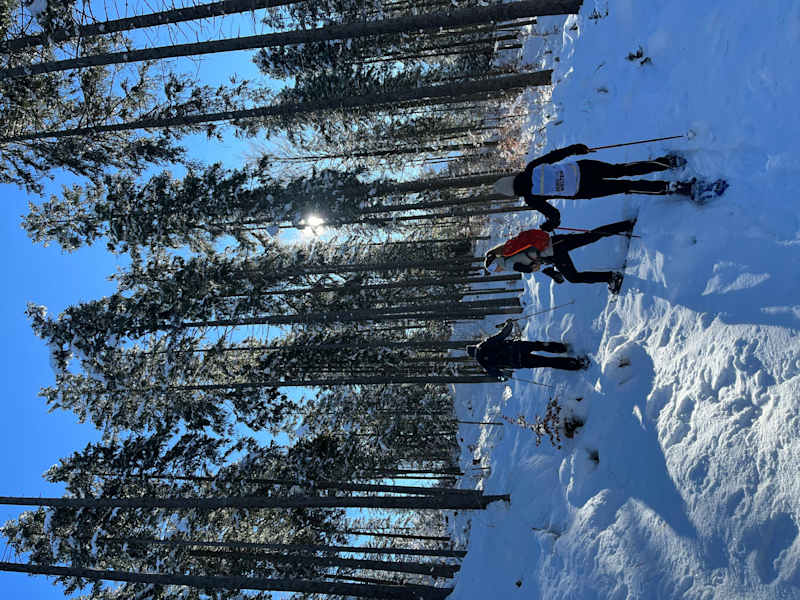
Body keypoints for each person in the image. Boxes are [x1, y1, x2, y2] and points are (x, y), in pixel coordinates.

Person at [493, 144, 690, 230]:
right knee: (621, 170)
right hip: (583, 168)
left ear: (512, 192)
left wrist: (549, 225)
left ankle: (670, 187)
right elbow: (555, 156)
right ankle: (667, 162)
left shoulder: (531, 198)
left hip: (583, 190)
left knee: (626, 187)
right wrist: (576, 148)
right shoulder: (531, 168)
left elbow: (554, 216)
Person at [483, 219, 636, 294]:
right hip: (554, 243)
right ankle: (624, 225)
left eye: (494, 269)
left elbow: (527, 268)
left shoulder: (508, 263)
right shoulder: (506, 251)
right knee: (589, 237)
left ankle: (611, 277)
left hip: (554, 251)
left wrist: (533, 268)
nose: (497, 271)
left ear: (496, 264)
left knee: (574, 277)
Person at [467, 319, 589, 380]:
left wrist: (505, 374)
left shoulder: (483, 363)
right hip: (518, 347)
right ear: (475, 346)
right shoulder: (484, 344)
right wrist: (509, 324)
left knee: (547, 362)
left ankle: (577, 364)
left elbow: (496, 374)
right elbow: (502, 335)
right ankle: (564, 348)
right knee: (540, 345)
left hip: (519, 362)